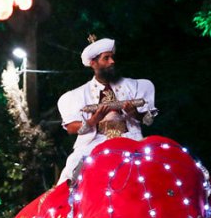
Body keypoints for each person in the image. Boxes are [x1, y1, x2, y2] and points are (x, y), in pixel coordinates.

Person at [56, 37, 157, 184]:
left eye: (112, 57)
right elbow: (71, 128)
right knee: (73, 170)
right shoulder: (78, 94)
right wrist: (93, 120)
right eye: (106, 58)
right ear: (93, 63)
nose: (112, 62)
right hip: (94, 144)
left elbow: (149, 120)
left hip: (130, 139)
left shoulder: (134, 86)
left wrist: (133, 113)